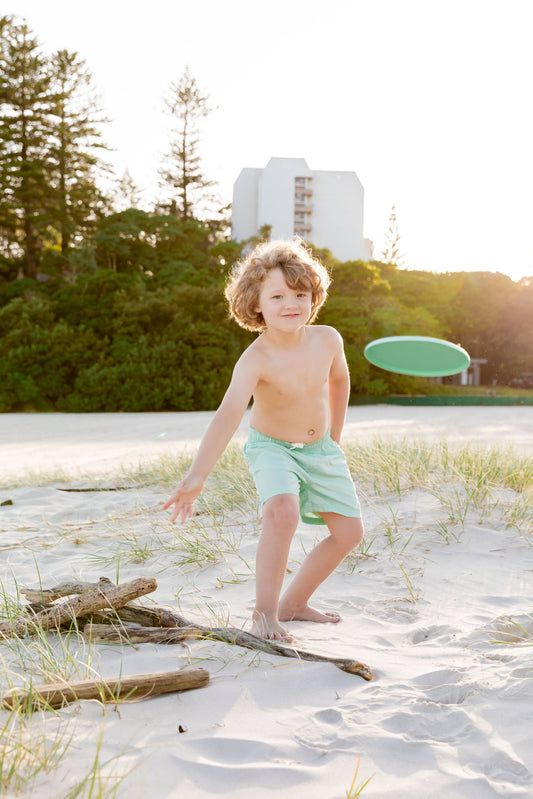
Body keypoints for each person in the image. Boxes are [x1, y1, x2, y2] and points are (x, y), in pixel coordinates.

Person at [163, 238, 364, 642]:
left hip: (319, 448)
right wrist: (196, 477)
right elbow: (227, 415)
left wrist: (335, 438)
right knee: (282, 512)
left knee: (349, 534)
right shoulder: (256, 358)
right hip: (272, 448)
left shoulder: (328, 339)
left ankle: (294, 604)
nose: (291, 303)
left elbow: (340, 380)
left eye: (300, 294)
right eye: (277, 296)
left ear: (314, 296)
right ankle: (265, 614)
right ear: (256, 304)